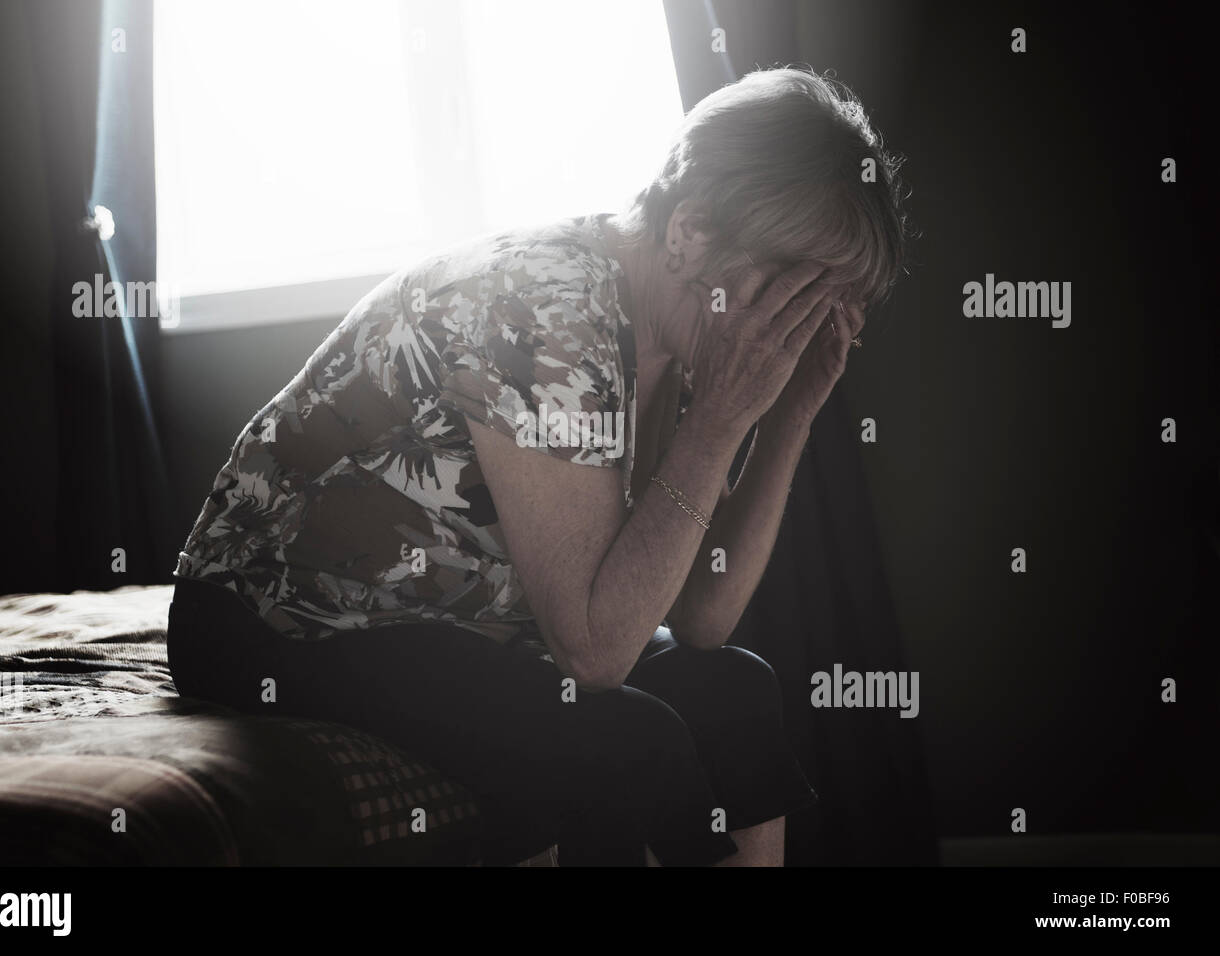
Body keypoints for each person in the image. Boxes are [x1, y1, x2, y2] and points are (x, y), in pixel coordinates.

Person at [166, 65, 908, 866]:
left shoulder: (686, 328)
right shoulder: (544, 302)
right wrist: (721, 421)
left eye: (829, 302)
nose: (796, 324)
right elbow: (596, 653)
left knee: (734, 687)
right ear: (690, 233)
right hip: (276, 621)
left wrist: (792, 409)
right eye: (792, 288)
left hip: (461, 615)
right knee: (626, 742)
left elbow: (702, 616)